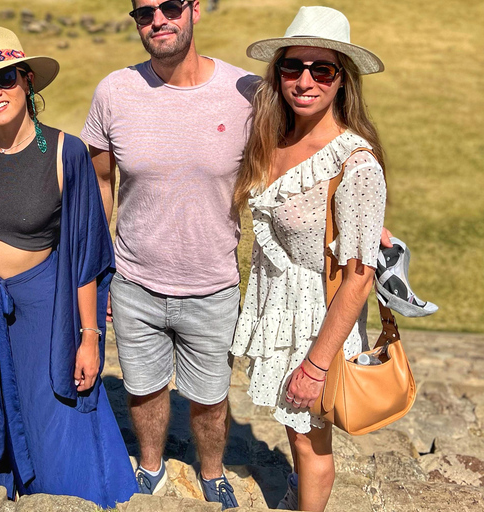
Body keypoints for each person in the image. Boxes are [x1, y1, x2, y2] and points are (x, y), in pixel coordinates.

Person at [0, 26, 138, 508]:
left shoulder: (66, 152)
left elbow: (83, 252)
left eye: (3, 78)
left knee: (53, 415)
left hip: (43, 303)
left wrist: (89, 336)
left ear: (27, 80)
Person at [82, 0, 258, 508]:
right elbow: (99, 183)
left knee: (210, 397)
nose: (157, 19)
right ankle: (152, 466)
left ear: (195, 10)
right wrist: (101, 270)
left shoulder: (246, 91)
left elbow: (291, 160)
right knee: (143, 388)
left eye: (169, 6)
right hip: (135, 280)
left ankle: (211, 473)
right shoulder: (115, 90)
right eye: (144, 13)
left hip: (212, 281)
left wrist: (352, 199)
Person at [230, 6, 387, 511]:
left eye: (322, 70)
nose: (305, 80)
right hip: (280, 305)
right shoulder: (274, 139)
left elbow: (360, 278)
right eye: (292, 67)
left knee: (308, 439)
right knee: (293, 429)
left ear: (342, 80)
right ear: (277, 74)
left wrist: (317, 366)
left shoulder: (355, 162)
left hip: (320, 317)